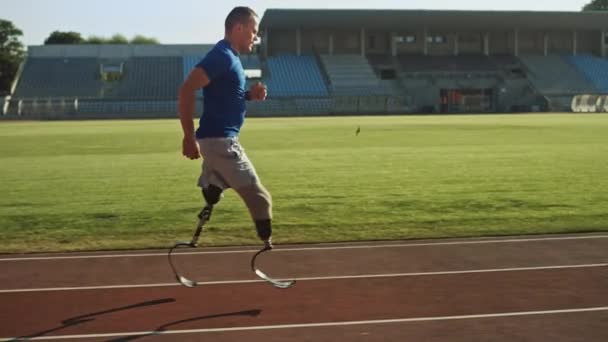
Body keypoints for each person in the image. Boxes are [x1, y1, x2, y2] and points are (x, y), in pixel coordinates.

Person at [178, 6, 272, 249]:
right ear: (238, 28)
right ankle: (270, 254)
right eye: (253, 31)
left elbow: (227, 96)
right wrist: (188, 137)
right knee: (261, 201)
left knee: (215, 189)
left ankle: (213, 186)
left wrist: (249, 96)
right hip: (221, 143)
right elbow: (187, 89)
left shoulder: (231, 58)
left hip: (217, 142)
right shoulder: (222, 56)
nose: (256, 37)